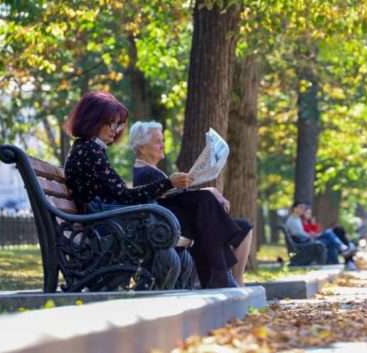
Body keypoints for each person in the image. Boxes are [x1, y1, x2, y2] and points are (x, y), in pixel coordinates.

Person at [63, 92, 247, 289]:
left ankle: (219, 277)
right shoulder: (89, 150)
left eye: (117, 124)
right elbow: (124, 195)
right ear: (93, 120)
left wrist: (169, 184)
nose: (115, 130)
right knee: (202, 203)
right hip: (105, 223)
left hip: (107, 218)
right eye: (110, 123)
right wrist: (168, 183)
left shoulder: (88, 149)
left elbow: (119, 194)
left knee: (203, 203)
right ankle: (219, 277)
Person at [129, 121, 253, 287]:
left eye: (163, 141)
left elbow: (173, 195)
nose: (163, 145)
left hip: (175, 222)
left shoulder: (151, 171)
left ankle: (229, 279)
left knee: (234, 223)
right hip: (167, 226)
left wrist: (208, 190)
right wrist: (209, 192)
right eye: (158, 142)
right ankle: (221, 276)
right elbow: (170, 199)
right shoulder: (144, 173)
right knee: (207, 202)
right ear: (142, 148)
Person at [285, 202, 354, 266]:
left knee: (330, 239)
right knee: (329, 233)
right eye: (301, 207)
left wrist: (311, 233)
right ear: (295, 208)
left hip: (306, 239)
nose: (303, 209)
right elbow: (298, 233)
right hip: (304, 241)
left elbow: (304, 232)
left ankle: (334, 261)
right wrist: (310, 235)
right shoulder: (293, 220)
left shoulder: (297, 219)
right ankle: (342, 249)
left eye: (303, 208)